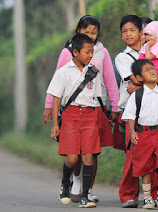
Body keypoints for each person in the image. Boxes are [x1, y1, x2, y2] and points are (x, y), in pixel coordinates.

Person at [42, 15, 119, 203]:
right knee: (74, 155)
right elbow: (57, 86)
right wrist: (49, 107)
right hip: (72, 110)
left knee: (92, 151)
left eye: (94, 32)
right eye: (86, 32)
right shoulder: (68, 54)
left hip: (95, 108)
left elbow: (109, 80)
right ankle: (72, 179)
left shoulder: (102, 53)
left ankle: (87, 192)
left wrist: (114, 106)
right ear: (78, 32)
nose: (91, 36)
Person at [115, 15, 158, 208]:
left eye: (133, 30)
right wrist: (156, 80)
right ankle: (128, 194)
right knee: (133, 155)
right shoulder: (123, 57)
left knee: (156, 156)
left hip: (155, 112)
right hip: (133, 112)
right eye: (124, 31)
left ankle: (154, 194)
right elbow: (135, 79)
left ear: (142, 32)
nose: (129, 34)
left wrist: (150, 81)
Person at [47, 34, 100, 208]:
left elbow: (98, 98)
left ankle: (85, 196)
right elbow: (56, 98)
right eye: (87, 52)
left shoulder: (93, 72)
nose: (91, 55)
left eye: (92, 52)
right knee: (72, 158)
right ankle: (65, 182)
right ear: (75, 52)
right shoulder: (63, 72)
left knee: (88, 156)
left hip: (90, 114)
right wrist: (56, 124)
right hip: (70, 115)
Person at [121, 59, 158, 209]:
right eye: (147, 70)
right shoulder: (137, 95)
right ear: (139, 77)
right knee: (145, 166)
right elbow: (131, 116)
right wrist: (133, 132)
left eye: (152, 68)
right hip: (143, 134)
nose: (152, 71)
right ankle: (147, 196)